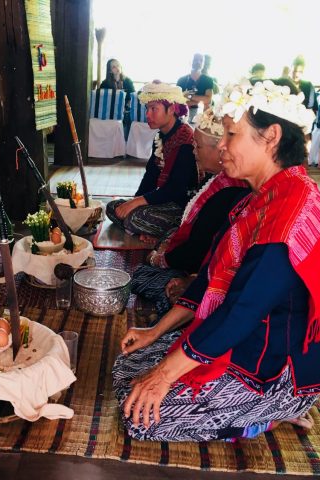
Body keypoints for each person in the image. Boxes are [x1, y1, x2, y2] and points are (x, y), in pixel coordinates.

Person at [113, 79, 320, 442]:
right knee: (126, 368)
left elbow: (241, 311)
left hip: (276, 365)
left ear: (270, 136)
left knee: (140, 419)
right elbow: (209, 281)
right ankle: (243, 404)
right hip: (245, 337)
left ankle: (271, 414)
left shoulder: (290, 211)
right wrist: (154, 332)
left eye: (231, 134)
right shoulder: (260, 198)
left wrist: (163, 376)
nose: (220, 145)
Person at [130, 108, 250, 318]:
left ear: (219, 149)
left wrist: (163, 258)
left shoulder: (231, 189)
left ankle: (182, 311)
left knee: (142, 276)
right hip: (196, 264)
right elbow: (188, 221)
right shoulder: (216, 179)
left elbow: (198, 247)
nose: (194, 150)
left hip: (204, 274)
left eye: (199, 146)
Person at [106, 82, 198, 239]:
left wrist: (136, 204)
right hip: (162, 202)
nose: (147, 115)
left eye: (154, 109)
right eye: (147, 109)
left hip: (182, 207)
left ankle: (163, 232)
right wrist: (134, 201)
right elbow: (150, 176)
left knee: (136, 217)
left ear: (171, 109)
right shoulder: (160, 136)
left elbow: (176, 189)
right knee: (112, 207)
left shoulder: (186, 140)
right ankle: (145, 229)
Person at [177, 53, 214, 122]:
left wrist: (189, 96)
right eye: (195, 60)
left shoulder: (208, 80)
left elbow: (208, 99)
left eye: (201, 60)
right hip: (183, 115)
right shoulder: (181, 80)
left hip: (202, 117)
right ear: (190, 62)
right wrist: (199, 100)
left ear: (203, 64)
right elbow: (178, 101)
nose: (198, 62)